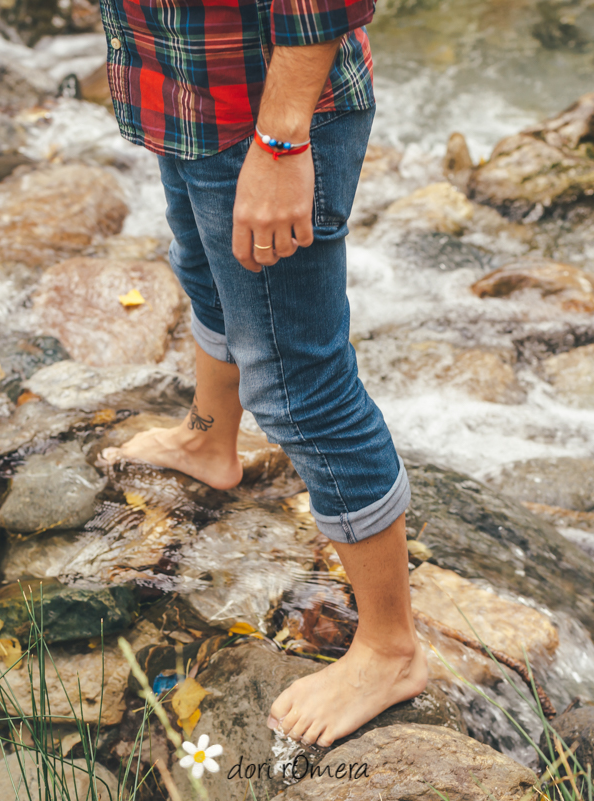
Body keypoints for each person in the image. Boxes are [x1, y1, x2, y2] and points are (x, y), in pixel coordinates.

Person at [97, 0, 427, 749]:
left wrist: (280, 145)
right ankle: (209, 441)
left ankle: (390, 647)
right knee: (207, 278)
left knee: (297, 383)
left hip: (269, 114)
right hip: (181, 92)